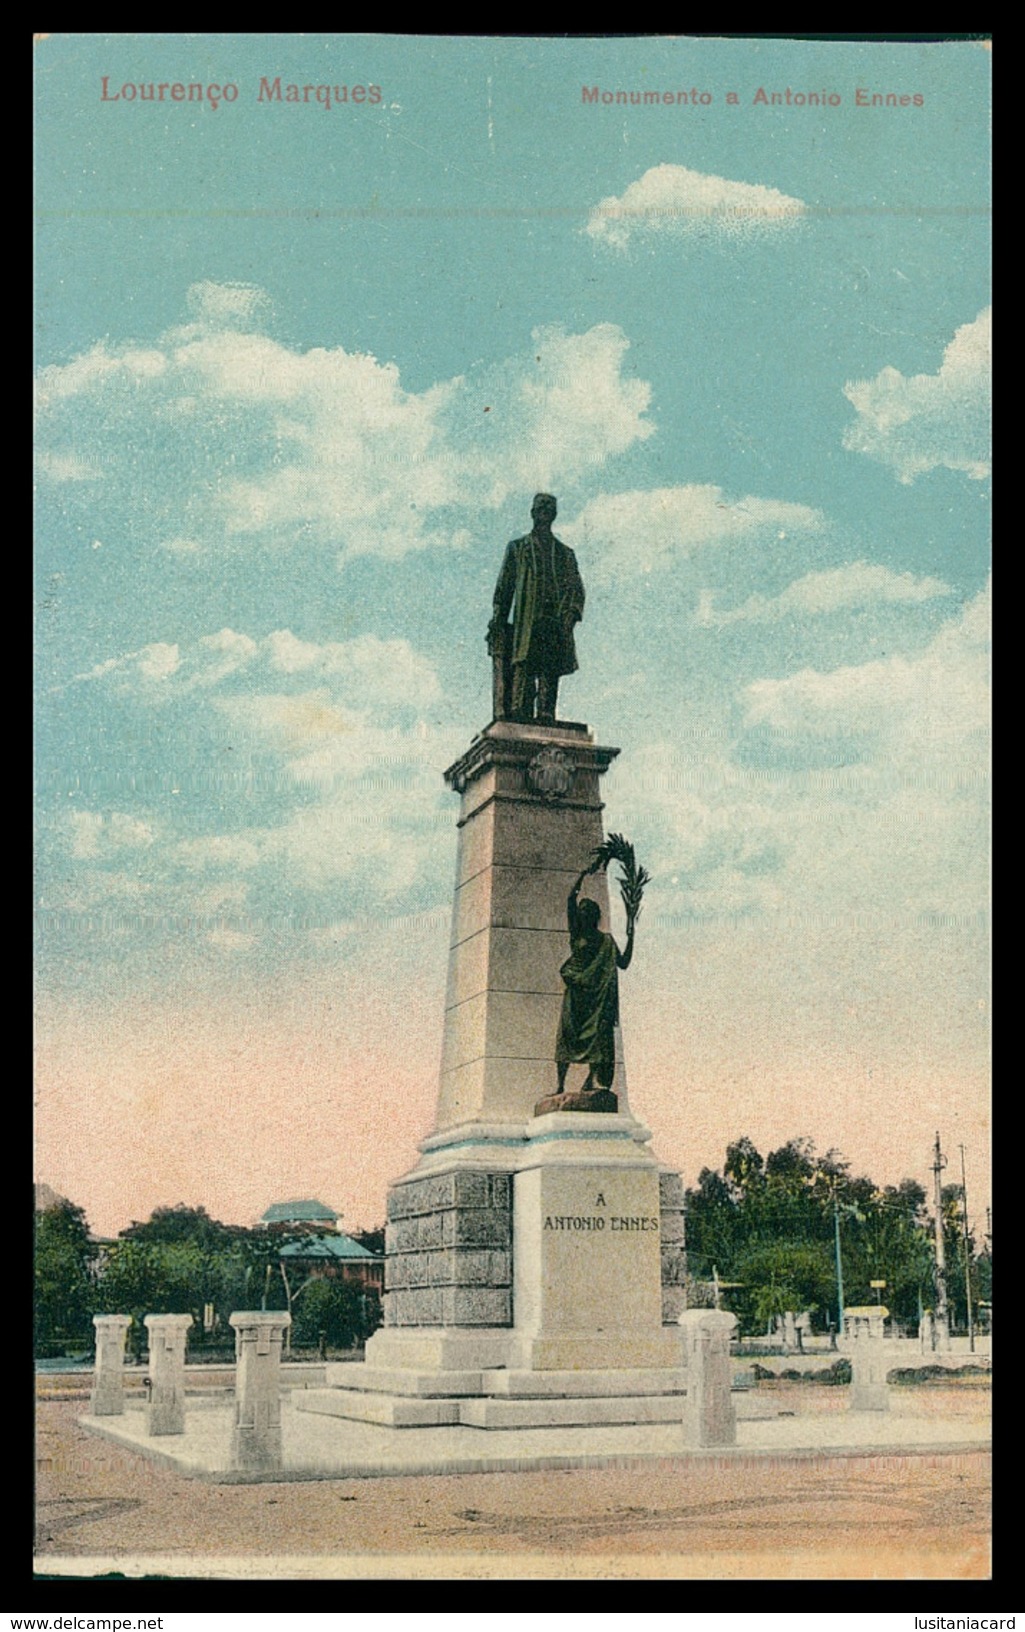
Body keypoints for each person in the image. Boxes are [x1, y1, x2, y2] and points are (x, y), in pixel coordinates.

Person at [488, 493, 585, 724]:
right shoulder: (518, 548)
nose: (545, 511)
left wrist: (570, 615)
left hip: (553, 621)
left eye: (549, 508)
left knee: (550, 669)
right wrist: (498, 620)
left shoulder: (565, 554)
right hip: (526, 621)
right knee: (524, 665)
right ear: (532, 513)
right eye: (540, 507)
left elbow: (576, 589)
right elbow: (505, 587)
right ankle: (520, 712)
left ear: (554, 514)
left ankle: (546, 713)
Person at [555, 863, 634, 1095]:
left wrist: (631, 935)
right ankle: (560, 1085)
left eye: (588, 913)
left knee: (598, 1039)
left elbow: (624, 962)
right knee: (566, 1038)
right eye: (582, 912)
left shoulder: (606, 941)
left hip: (596, 998)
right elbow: (570, 900)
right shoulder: (576, 934)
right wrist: (581, 875)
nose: (584, 915)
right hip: (576, 994)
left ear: (595, 916)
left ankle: (590, 1080)